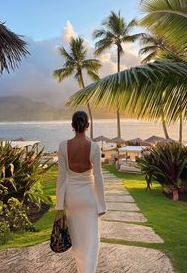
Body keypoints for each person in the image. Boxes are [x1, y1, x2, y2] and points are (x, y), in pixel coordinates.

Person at [55, 111, 107, 273]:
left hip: (72, 199)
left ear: (72, 126)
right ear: (87, 126)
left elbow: (62, 177)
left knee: (77, 242)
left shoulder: (63, 146)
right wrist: (101, 205)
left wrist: (59, 205)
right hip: (89, 198)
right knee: (91, 241)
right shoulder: (94, 147)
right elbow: (98, 178)